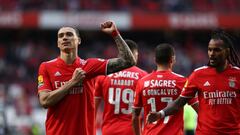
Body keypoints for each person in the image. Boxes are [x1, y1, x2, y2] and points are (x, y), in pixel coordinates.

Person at [37, 21, 137, 135]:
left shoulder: (89, 66)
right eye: (61, 36)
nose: (64, 38)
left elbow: (129, 61)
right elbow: (44, 101)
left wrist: (115, 34)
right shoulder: (46, 66)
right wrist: (73, 82)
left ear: (78, 40)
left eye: (69, 34)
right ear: (58, 43)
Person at [147, 30, 240, 135]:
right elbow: (179, 103)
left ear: (227, 51)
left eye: (217, 50)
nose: (212, 54)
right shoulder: (198, 74)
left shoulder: (237, 75)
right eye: (209, 50)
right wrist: (161, 114)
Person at [132, 43, 198, 135]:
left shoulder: (142, 82)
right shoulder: (182, 81)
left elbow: (135, 115)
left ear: (155, 60)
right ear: (173, 59)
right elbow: (199, 108)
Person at [94, 39, 147, 135]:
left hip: (108, 130)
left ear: (119, 53)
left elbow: (93, 108)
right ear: (135, 55)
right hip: (132, 131)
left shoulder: (104, 75)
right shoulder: (143, 76)